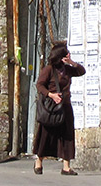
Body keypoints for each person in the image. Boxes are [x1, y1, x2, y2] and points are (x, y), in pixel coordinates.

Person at [32, 41, 86, 175]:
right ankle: (38, 161)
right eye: (66, 53)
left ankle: (66, 166)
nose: (68, 54)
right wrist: (51, 95)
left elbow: (81, 71)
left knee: (67, 135)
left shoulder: (67, 69)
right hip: (51, 107)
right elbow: (39, 85)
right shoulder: (49, 69)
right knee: (46, 135)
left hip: (65, 106)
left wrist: (72, 62)